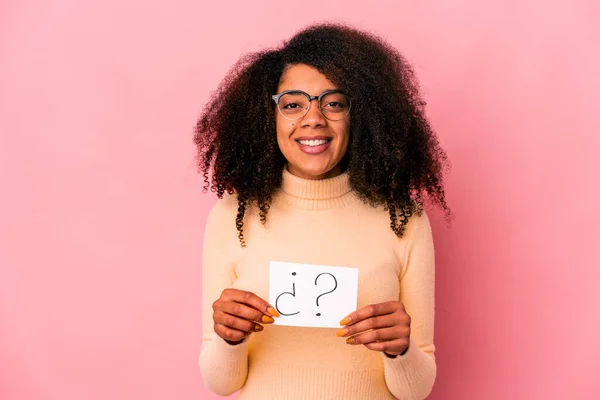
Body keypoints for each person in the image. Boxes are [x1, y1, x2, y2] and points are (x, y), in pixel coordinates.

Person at [194, 23, 450, 400]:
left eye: (333, 103)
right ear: (269, 117)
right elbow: (221, 383)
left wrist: (401, 349)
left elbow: (416, 390)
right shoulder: (233, 215)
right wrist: (228, 339)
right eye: (293, 104)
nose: (313, 118)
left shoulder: (404, 219)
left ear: (360, 115)